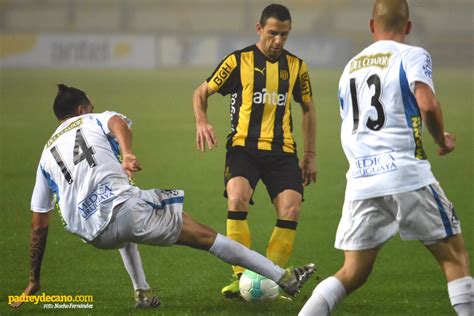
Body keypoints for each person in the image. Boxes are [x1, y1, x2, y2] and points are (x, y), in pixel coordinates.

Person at [11, 84, 316, 309]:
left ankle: (142, 293)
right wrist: (128, 153)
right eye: (90, 108)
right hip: (124, 212)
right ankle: (285, 278)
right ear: (81, 109)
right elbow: (117, 122)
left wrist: (34, 279)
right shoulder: (92, 120)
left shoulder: (45, 156)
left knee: (121, 206)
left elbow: (39, 224)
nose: (92, 111)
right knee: (206, 236)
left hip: (91, 233)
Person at [299, 0, 472, 315]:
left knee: (353, 272)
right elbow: (427, 104)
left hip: (362, 181)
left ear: (371, 25)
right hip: (406, 174)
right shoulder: (412, 54)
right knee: (454, 256)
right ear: (408, 26)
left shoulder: (350, 66)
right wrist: (440, 139)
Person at [192, 3, 317, 298]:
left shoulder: (296, 66)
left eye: (284, 35)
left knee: (291, 208)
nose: (278, 41)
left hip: (282, 151)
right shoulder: (238, 61)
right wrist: (201, 122)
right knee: (237, 199)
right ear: (259, 29)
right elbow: (201, 92)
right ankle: (239, 277)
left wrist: (310, 155)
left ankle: (272, 277)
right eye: (273, 33)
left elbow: (308, 108)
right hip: (243, 148)